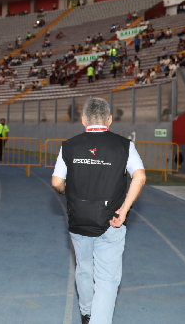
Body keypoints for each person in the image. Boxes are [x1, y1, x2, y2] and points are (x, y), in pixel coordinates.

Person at [51, 98, 146, 324]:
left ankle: (86, 313)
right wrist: (123, 210)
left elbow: (56, 182)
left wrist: (66, 190)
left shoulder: (69, 145)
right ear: (109, 119)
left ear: (83, 120)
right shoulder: (125, 145)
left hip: (79, 219)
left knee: (84, 268)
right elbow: (140, 177)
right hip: (111, 221)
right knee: (107, 280)